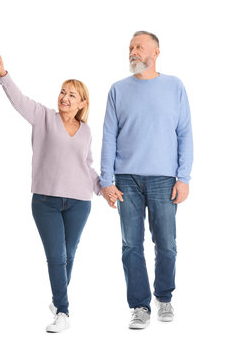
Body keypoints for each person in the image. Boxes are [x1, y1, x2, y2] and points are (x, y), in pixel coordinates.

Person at [0, 52, 111, 333]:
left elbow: (87, 167)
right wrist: (3, 75)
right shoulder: (43, 117)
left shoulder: (86, 131)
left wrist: (104, 189)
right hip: (46, 201)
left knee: (68, 255)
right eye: (62, 92)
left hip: (79, 202)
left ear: (83, 103)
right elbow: (19, 100)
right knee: (56, 256)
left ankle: (58, 300)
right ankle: (63, 311)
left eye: (72, 95)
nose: (64, 98)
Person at [100, 31, 193, 329]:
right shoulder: (117, 90)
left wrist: (184, 176)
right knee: (131, 244)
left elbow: (184, 134)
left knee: (166, 243)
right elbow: (108, 138)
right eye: (130, 47)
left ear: (156, 52)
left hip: (164, 179)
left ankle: (163, 297)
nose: (133, 51)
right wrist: (106, 181)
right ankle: (139, 306)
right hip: (125, 179)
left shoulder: (174, 86)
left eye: (140, 47)